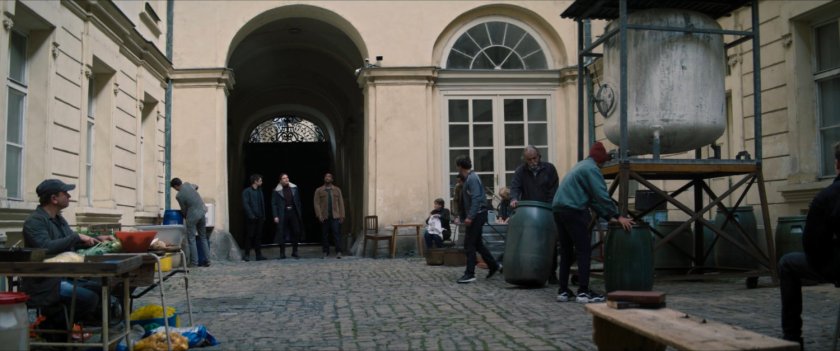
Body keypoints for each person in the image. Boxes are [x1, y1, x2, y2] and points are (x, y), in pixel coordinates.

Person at [22, 179, 118, 327]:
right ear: (54, 199)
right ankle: (50, 327)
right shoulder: (34, 221)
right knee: (89, 299)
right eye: (65, 193)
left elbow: (71, 242)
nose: (69, 196)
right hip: (45, 283)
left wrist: (97, 239)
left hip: (64, 277)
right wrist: (76, 237)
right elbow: (45, 247)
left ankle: (68, 326)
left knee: (101, 290)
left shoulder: (59, 219)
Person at [552, 142, 634, 303]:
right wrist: (618, 215)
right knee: (584, 251)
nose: (603, 165)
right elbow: (601, 195)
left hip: (558, 210)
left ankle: (563, 291)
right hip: (574, 210)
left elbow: (592, 199)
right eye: (604, 162)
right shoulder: (592, 169)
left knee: (567, 251)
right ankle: (583, 292)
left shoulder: (581, 166)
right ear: (600, 160)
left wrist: (608, 216)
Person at [779, 141, 840, 348]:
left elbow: (813, 245)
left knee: (787, 264)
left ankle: (792, 337)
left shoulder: (827, 197)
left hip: (837, 265)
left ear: (837, 165)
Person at [509, 145, 561, 283]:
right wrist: (514, 199)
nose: (533, 162)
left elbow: (554, 189)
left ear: (539, 156)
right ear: (525, 160)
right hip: (529, 211)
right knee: (530, 241)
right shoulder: (521, 171)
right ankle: (530, 270)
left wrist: (549, 207)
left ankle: (551, 273)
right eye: (529, 159)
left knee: (549, 242)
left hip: (546, 209)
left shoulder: (549, 169)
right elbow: (515, 187)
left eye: (534, 158)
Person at [455, 155, 501, 284]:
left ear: (460, 167)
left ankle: (470, 273)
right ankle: (494, 265)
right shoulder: (471, 178)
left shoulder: (472, 178)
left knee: (469, 244)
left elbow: (476, 199)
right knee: (478, 244)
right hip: (478, 214)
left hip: (477, 215)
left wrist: (470, 217)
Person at [171, 177, 211, 267]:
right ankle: (208, 260)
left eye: (174, 188)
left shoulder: (179, 196)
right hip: (202, 211)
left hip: (192, 216)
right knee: (203, 237)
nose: (175, 190)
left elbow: (184, 209)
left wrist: (185, 216)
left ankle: (194, 263)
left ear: (176, 186)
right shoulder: (188, 184)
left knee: (192, 239)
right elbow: (196, 186)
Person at [314, 172, 345, 259]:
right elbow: (316, 204)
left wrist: (342, 215)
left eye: (329, 177)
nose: (327, 178)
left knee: (336, 234)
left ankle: (338, 251)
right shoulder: (319, 190)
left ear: (332, 179)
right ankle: (325, 252)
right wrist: (319, 215)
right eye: (326, 176)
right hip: (324, 216)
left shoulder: (337, 190)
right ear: (324, 179)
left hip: (335, 216)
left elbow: (341, 203)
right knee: (325, 235)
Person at [272, 173, 303, 259]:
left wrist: (299, 211)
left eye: (287, 177)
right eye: (284, 178)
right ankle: (282, 253)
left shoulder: (294, 188)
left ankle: (295, 251)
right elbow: (274, 204)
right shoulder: (276, 191)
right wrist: (275, 216)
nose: (286, 179)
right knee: (281, 232)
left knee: (296, 231)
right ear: (280, 180)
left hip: (293, 212)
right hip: (283, 213)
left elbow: (298, 201)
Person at [242, 173, 267, 261]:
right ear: (255, 181)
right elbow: (246, 204)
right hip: (251, 218)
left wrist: (263, 216)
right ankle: (247, 255)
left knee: (258, 236)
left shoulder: (260, 191)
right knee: (250, 236)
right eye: (260, 180)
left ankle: (258, 255)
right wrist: (251, 215)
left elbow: (262, 204)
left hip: (260, 217)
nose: (261, 182)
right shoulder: (247, 191)